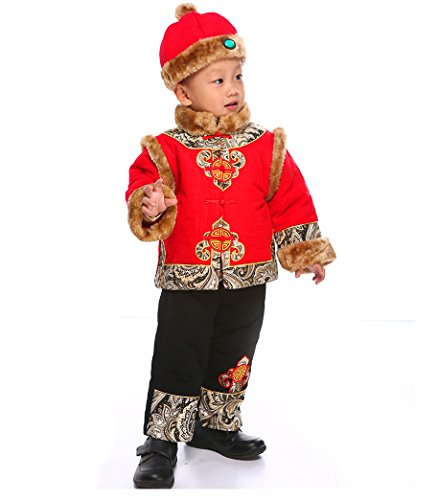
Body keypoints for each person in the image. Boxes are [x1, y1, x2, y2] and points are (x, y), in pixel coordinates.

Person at [125, 3, 336, 489]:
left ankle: (214, 425)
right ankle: (162, 439)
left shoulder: (265, 145)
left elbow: (290, 199)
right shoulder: (167, 148)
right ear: (183, 91)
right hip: (188, 273)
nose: (233, 88)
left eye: (237, 75)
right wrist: (150, 201)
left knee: (235, 351)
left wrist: (304, 251)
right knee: (179, 352)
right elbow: (144, 188)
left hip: (249, 273)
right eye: (217, 80)